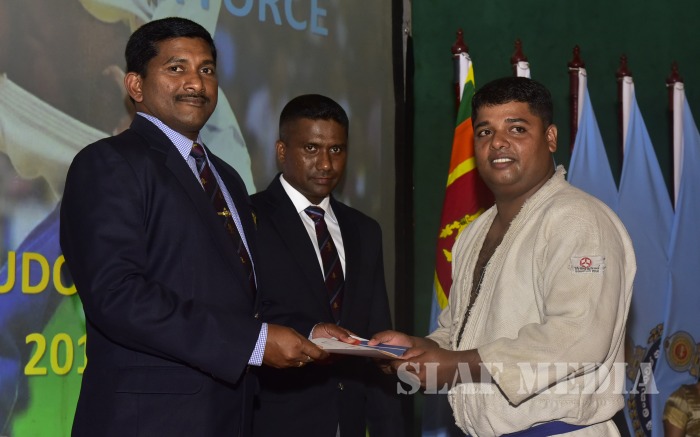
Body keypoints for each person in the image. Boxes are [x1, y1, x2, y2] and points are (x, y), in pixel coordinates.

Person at [59, 18, 343, 436]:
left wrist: (308, 330)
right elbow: (117, 294)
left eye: (206, 69)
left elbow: (237, 295)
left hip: (232, 415)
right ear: (135, 86)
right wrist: (253, 343)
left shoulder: (227, 177)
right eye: (176, 68)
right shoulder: (108, 163)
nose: (196, 82)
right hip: (149, 421)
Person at [371, 77, 636, 436]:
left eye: (517, 128)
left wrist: (456, 364)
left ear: (551, 138)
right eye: (485, 132)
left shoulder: (579, 219)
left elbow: (578, 338)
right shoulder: (474, 233)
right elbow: (460, 334)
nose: (497, 142)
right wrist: (420, 349)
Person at [250, 94, 404, 436]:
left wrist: (389, 427)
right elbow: (237, 316)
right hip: (273, 420)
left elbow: (376, 337)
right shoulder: (248, 219)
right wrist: (308, 330)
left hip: (349, 419)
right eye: (311, 148)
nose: (326, 164)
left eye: (336, 149)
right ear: (281, 151)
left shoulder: (364, 230)